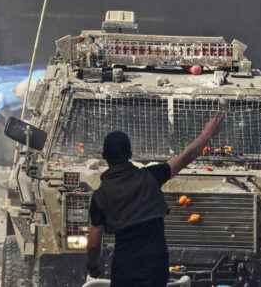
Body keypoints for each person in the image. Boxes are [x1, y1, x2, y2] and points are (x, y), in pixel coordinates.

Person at [86, 114, 225, 286]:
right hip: (155, 266)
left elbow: (93, 243)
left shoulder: (100, 196)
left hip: (125, 267)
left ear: (104, 156)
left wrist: (93, 266)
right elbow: (185, 158)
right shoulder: (151, 176)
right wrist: (207, 134)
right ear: (129, 153)